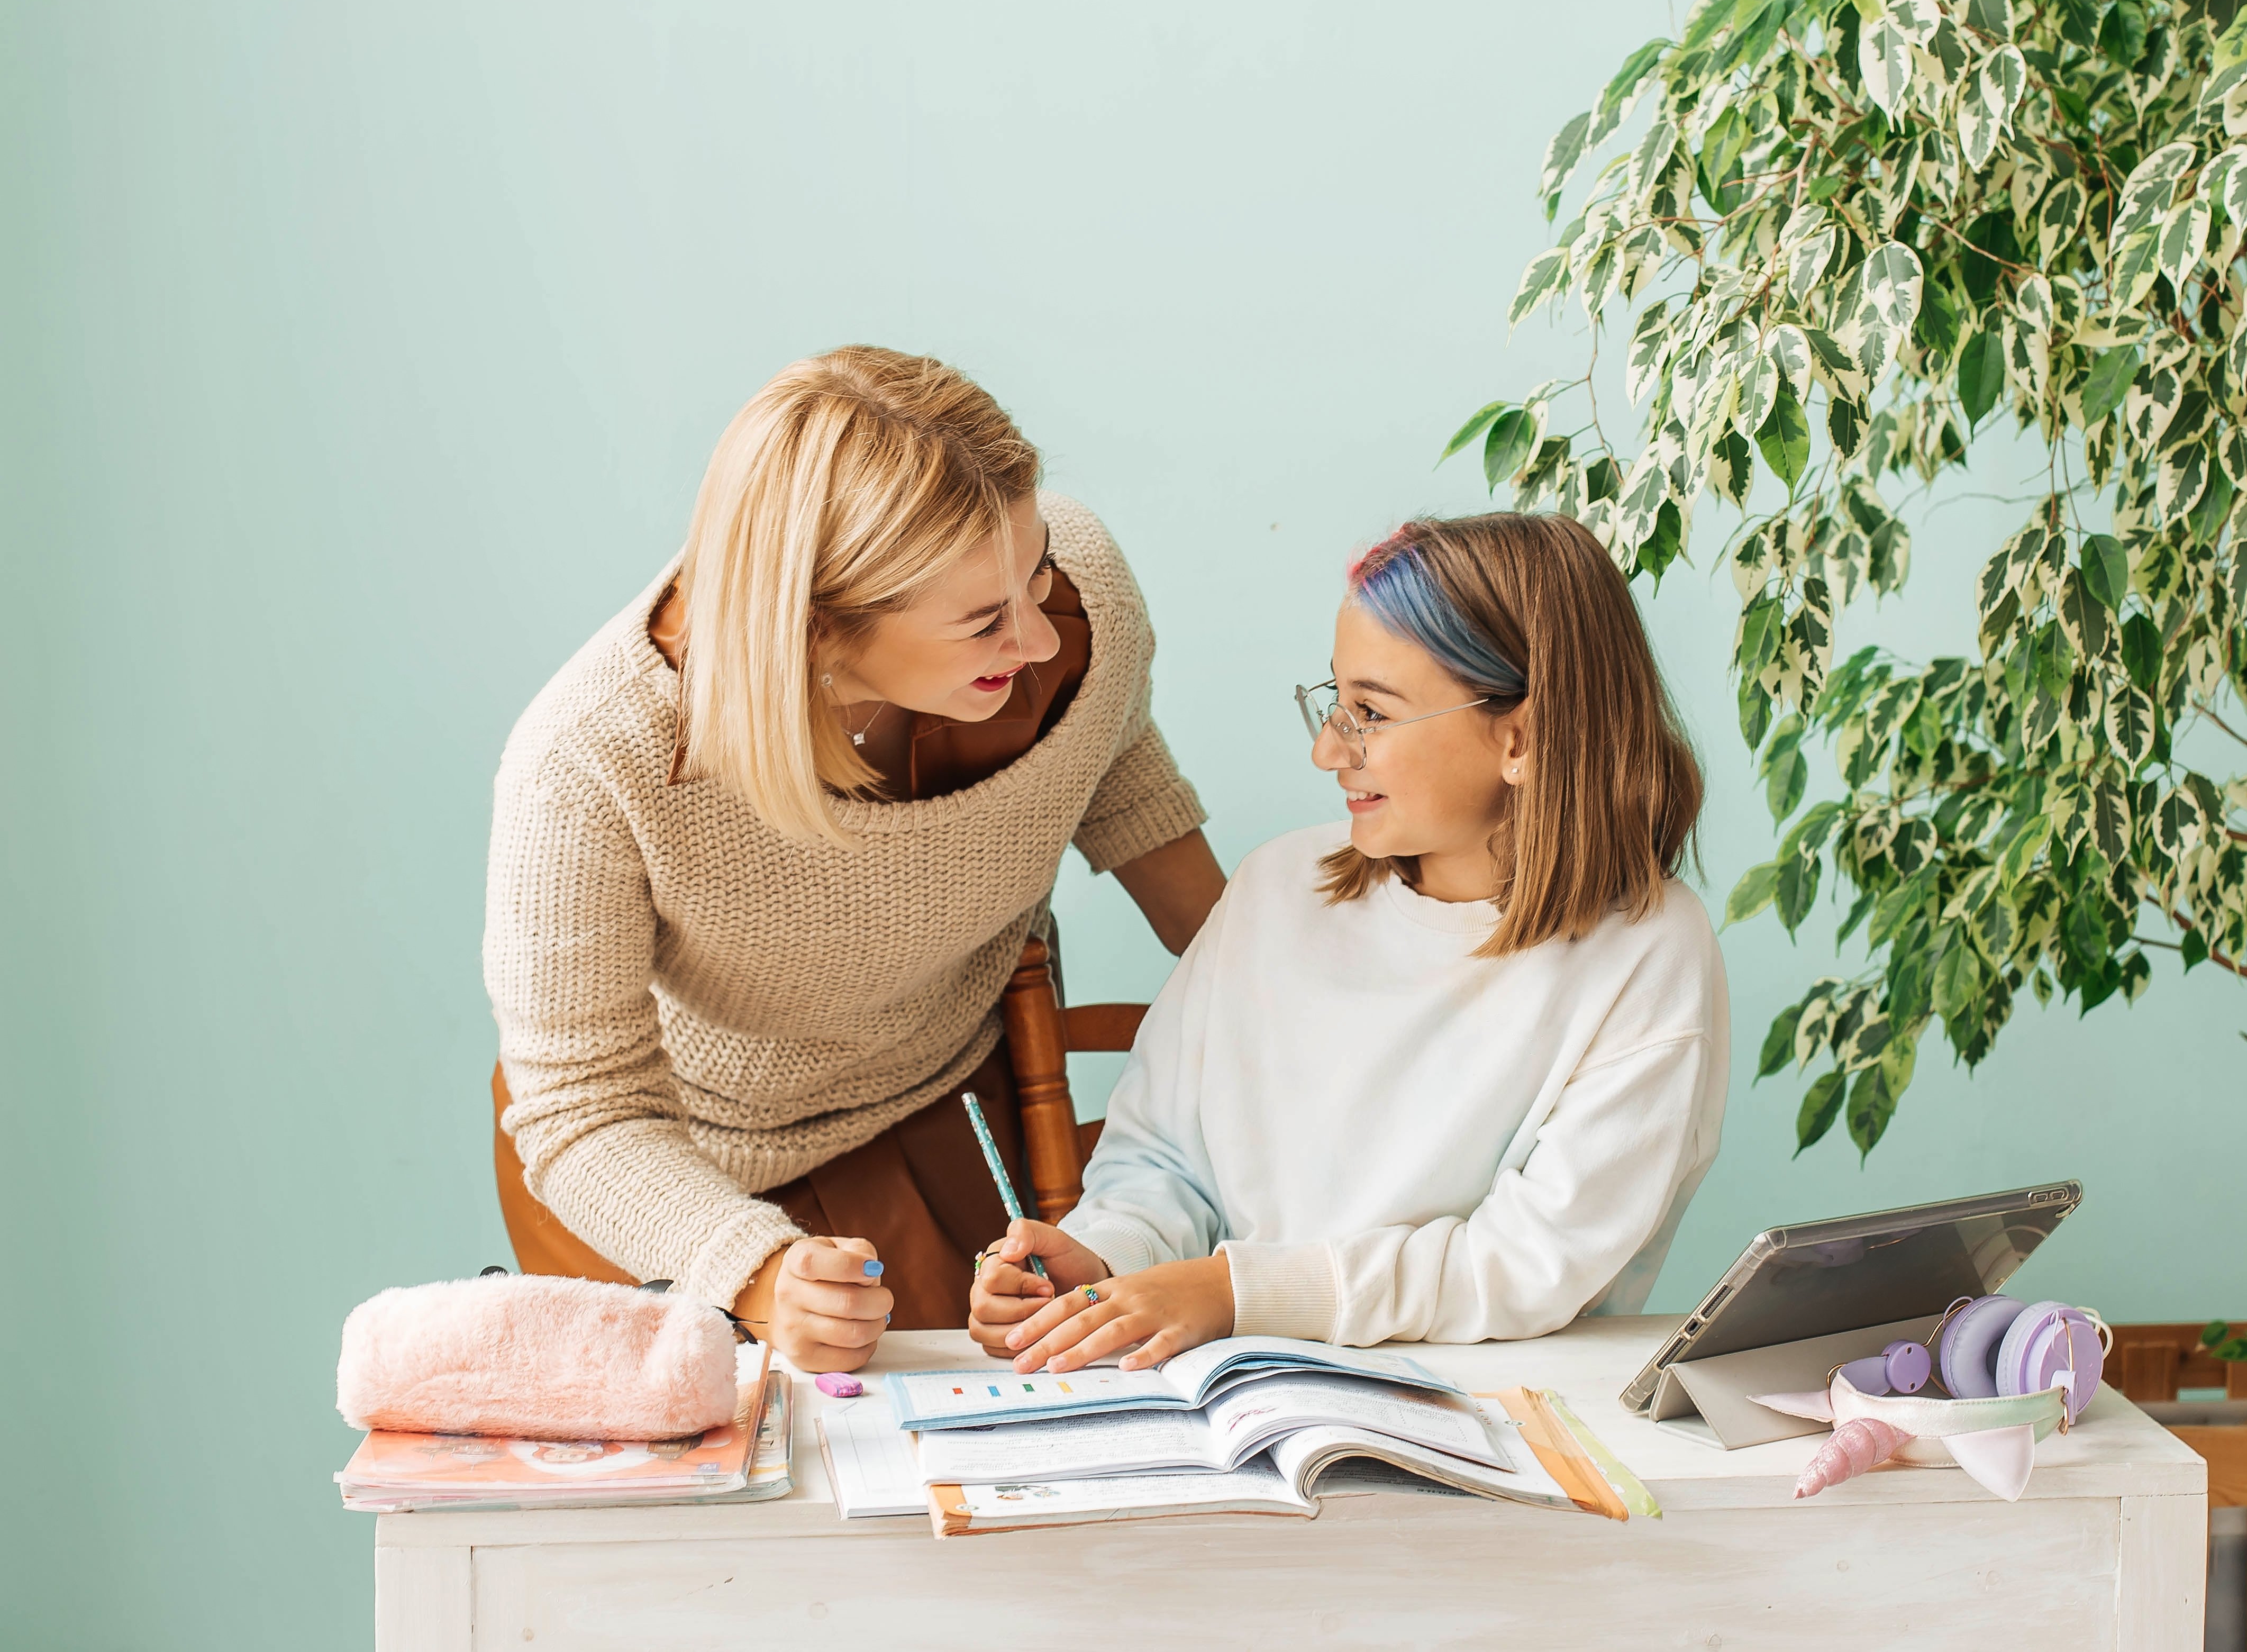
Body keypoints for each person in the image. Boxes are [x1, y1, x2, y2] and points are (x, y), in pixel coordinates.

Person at [484, 346, 1226, 1373]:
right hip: (671, 1171)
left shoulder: (1079, 593)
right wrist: (752, 1269)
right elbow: (583, 1111)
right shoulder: (588, 759)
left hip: (945, 1096)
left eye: (1035, 569)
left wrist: (1287, 1010)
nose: (1041, 637)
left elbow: (1114, 775)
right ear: (819, 632)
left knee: (981, 1453)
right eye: (982, 621)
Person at [969, 511, 1729, 1372]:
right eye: (1334, 703)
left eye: (1369, 711)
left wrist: (1234, 1293)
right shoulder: (1276, 890)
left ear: (1518, 737)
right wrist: (1104, 1260)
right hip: (1255, 1386)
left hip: (1510, 1408)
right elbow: (1163, 1161)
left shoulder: (1647, 951)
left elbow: (1526, 1264)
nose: (1330, 748)